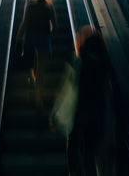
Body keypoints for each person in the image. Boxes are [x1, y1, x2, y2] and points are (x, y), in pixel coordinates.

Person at [49, 25, 117, 176]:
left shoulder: (78, 61)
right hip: (98, 115)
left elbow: (65, 90)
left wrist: (54, 113)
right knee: (89, 154)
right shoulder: (106, 64)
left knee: (73, 148)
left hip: (78, 113)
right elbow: (112, 91)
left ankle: (73, 172)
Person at [16, 0, 57, 106]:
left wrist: (18, 38)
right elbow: (55, 26)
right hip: (44, 41)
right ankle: (39, 99)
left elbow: (24, 23)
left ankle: (33, 86)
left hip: (30, 41)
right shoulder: (49, 7)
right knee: (41, 71)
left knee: (31, 67)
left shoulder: (30, 4)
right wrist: (48, 34)